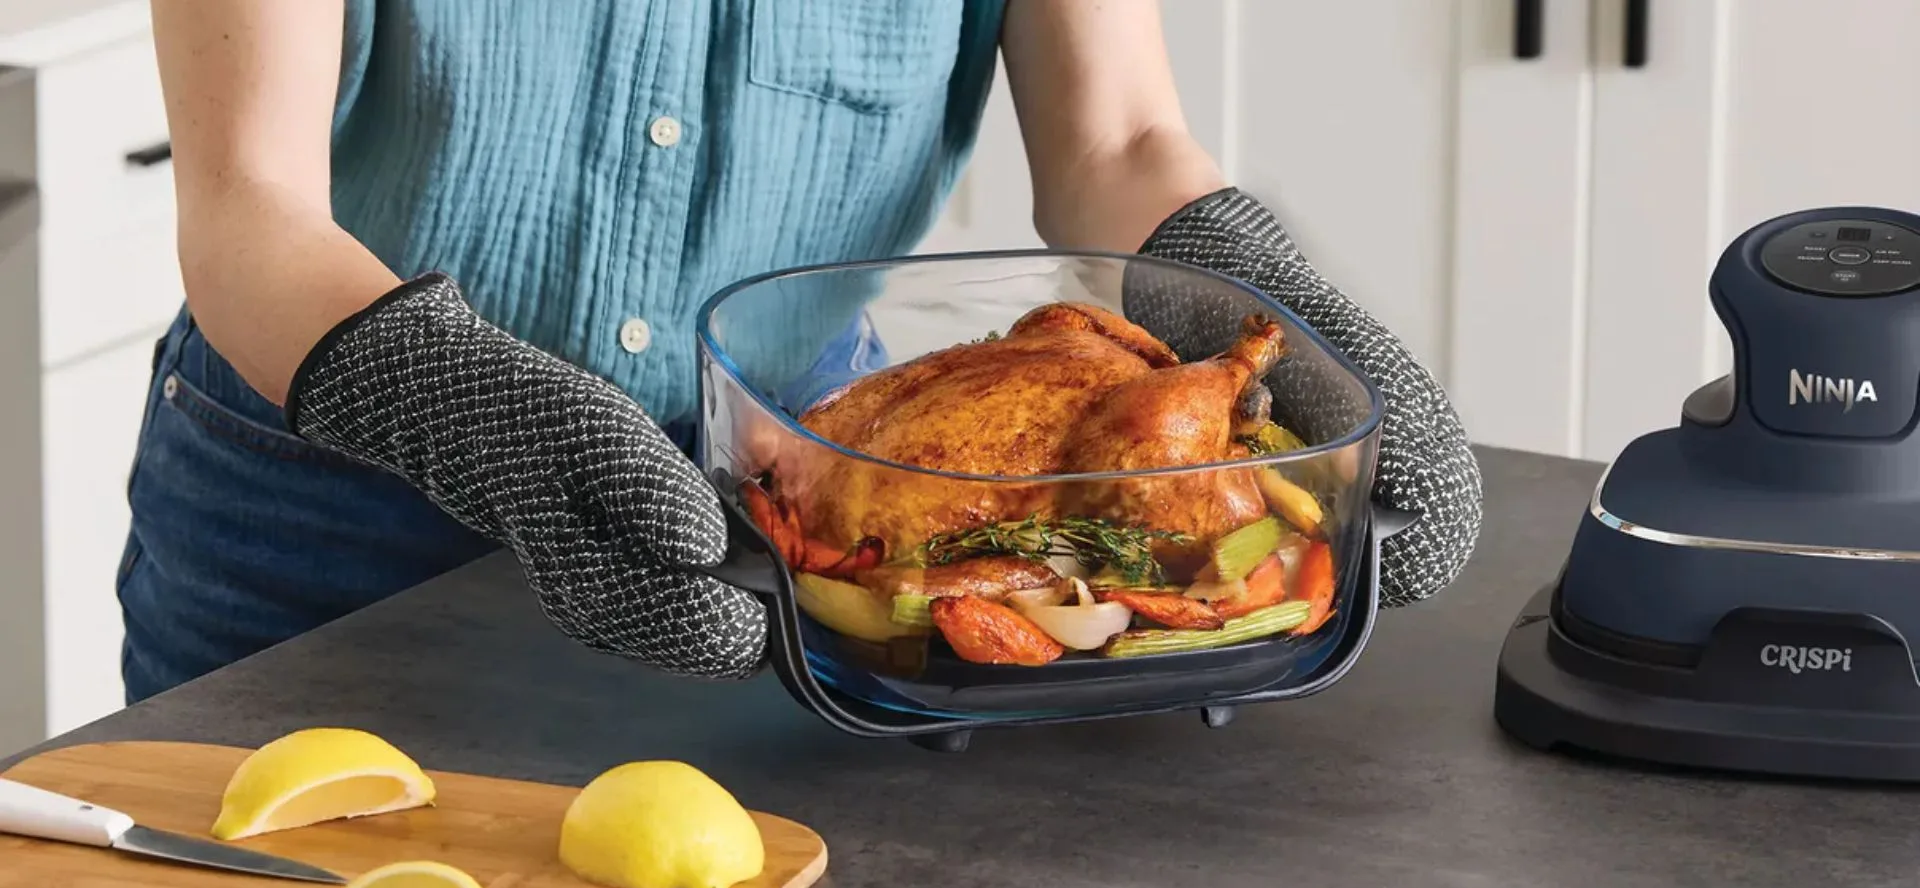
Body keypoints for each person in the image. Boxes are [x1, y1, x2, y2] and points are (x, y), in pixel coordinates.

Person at [123, 0, 1482, 702]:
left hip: (799, 523)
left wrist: (1259, 296)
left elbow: (1117, 143)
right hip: (323, 513)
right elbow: (249, 206)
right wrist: (454, 400)